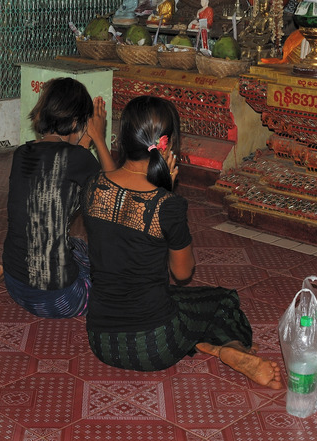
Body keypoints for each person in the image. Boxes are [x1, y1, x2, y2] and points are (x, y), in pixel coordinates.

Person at [81, 96, 281, 389]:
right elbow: (182, 274)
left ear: (123, 137)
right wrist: (166, 194)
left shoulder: (92, 187)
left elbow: (115, 186)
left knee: (179, 304)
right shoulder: (167, 205)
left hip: (101, 341)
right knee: (220, 301)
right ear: (168, 143)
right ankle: (232, 349)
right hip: (154, 345)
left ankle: (209, 347)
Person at [0, 77, 115, 320]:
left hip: (16, 286)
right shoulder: (79, 160)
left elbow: (66, 162)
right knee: (119, 273)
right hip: (60, 299)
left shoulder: (22, 153)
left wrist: (85, 137)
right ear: (77, 122)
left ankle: (4, 270)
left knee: (76, 245)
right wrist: (99, 139)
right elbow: (118, 193)